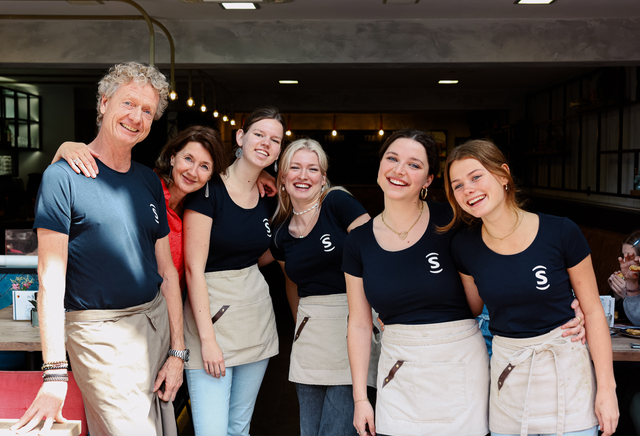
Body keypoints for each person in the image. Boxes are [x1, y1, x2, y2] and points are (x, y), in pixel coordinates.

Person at [11, 62, 187, 436]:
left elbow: (167, 272)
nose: (136, 117)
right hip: (98, 336)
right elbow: (51, 278)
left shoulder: (148, 181)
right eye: (128, 103)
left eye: (147, 111)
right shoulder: (63, 177)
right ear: (104, 103)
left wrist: (177, 351)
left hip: (153, 327)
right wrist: (55, 373)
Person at [444, 139, 619, 436]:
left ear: (503, 175)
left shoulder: (561, 231)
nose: (467, 189)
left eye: (476, 177)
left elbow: (592, 311)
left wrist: (607, 390)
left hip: (567, 371)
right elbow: (469, 309)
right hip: (508, 375)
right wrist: (399, 310)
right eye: (457, 185)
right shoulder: (464, 246)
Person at [343, 129, 491, 436]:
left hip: (460, 363)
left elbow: (484, 294)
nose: (399, 170)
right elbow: (358, 323)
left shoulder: (453, 221)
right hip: (398, 367)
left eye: (414, 164)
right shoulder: (358, 241)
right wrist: (360, 398)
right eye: (392, 159)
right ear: (380, 165)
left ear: (428, 180)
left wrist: (565, 306)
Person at [183, 106, 282, 435]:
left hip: (255, 320)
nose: (266, 143)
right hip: (210, 321)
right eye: (259, 134)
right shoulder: (208, 190)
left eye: (275, 140)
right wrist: (208, 342)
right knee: (212, 431)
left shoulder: (268, 196)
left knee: (239, 428)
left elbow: (254, 256)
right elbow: (193, 269)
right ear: (240, 137)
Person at [269, 138, 372, 435]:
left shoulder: (337, 203)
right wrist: (300, 323)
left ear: (323, 178)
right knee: (309, 430)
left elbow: (376, 251)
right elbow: (291, 285)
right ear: (283, 179)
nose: (304, 176)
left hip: (352, 327)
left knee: (336, 430)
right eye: (295, 168)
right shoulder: (281, 235)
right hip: (310, 337)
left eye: (312, 169)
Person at [50, 125, 229, 292]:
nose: (192, 171)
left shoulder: (198, 208)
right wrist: (64, 148)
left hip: (173, 306)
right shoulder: (143, 188)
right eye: (188, 159)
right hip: (131, 306)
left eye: (204, 166)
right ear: (173, 158)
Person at [608, 230, 640, 324]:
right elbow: (619, 318)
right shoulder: (628, 277)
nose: (627, 263)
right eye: (624, 256)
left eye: (631, 257)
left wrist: (628, 295)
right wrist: (616, 295)